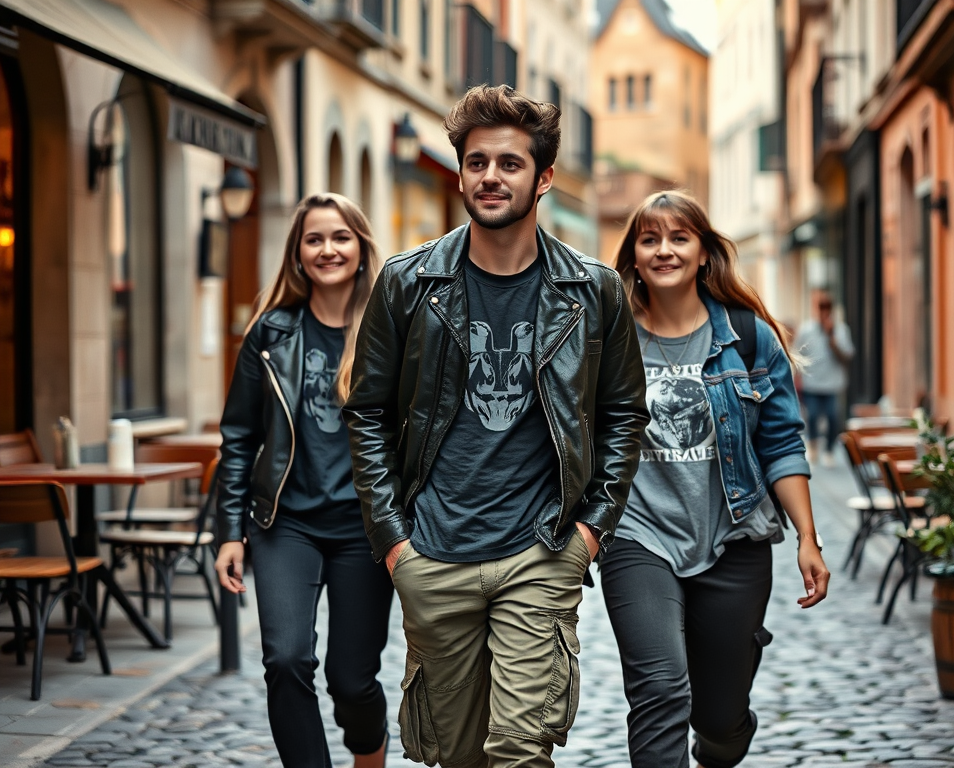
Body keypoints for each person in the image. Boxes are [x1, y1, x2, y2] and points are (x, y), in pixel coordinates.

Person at [343, 85, 649, 768]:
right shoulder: (408, 282)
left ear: (543, 179)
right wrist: (395, 545)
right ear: (459, 173)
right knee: (456, 755)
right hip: (434, 552)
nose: (490, 177)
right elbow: (366, 413)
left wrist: (587, 536)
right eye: (477, 162)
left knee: (517, 747)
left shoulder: (593, 290)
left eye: (510, 164)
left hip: (539, 551)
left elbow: (626, 412)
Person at [604, 190, 830, 768]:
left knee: (718, 719)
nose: (664, 250)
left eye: (679, 237)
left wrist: (807, 536)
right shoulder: (608, 338)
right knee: (659, 691)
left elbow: (779, 442)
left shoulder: (749, 338)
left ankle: (725, 729)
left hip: (734, 539)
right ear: (633, 254)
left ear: (703, 251)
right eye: (649, 239)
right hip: (638, 537)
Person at [214, 193, 391, 768]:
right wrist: (230, 533)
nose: (327, 249)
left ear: (361, 248)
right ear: (298, 253)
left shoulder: (389, 331)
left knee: (352, 679)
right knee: (286, 661)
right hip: (285, 525)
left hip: (366, 532)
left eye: (340, 237)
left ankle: (369, 752)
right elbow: (239, 436)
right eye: (314, 239)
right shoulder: (271, 333)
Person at [794, 292, 855, 467]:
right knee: (812, 416)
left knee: (833, 417)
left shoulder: (841, 330)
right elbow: (797, 354)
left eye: (826, 308)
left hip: (833, 383)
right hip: (811, 382)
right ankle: (813, 445)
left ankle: (829, 449)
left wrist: (832, 339)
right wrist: (797, 376)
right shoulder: (806, 330)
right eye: (820, 308)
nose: (823, 312)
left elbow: (847, 356)